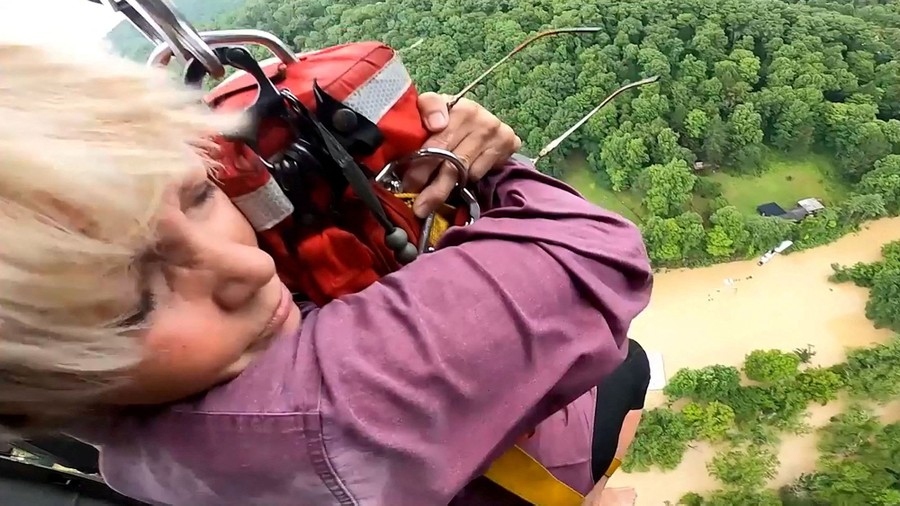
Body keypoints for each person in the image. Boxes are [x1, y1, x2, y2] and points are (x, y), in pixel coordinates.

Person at [0, 39, 654, 505]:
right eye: (136, 303)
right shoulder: (314, 411)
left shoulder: (144, 434)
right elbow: (594, 256)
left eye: (200, 196)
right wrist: (492, 170)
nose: (248, 268)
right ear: (28, 399)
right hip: (536, 472)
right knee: (630, 363)